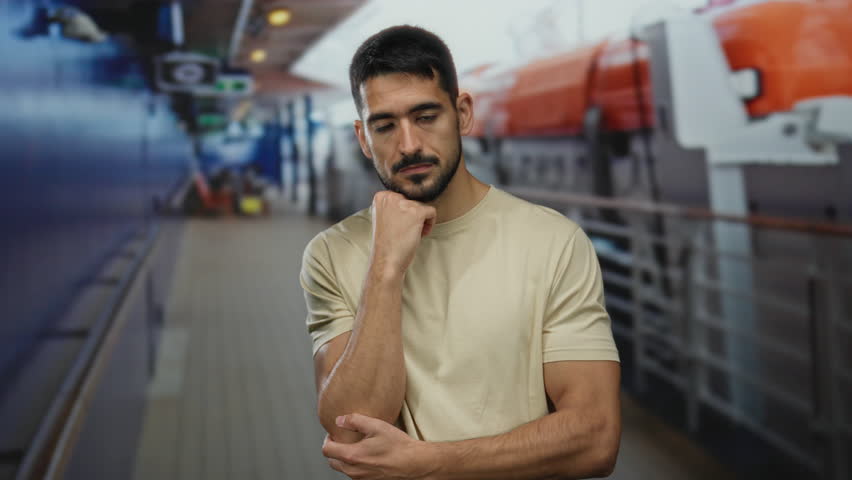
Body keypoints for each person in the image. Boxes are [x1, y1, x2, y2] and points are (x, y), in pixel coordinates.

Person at [300, 25, 621, 479]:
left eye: (426, 116)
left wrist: (430, 464)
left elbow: (596, 438)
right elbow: (349, 432)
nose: (408, 144)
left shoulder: (553, 241)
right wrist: (386, 267)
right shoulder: (331, 253)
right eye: (385, 125)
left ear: (463, 113)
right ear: (362, 137)